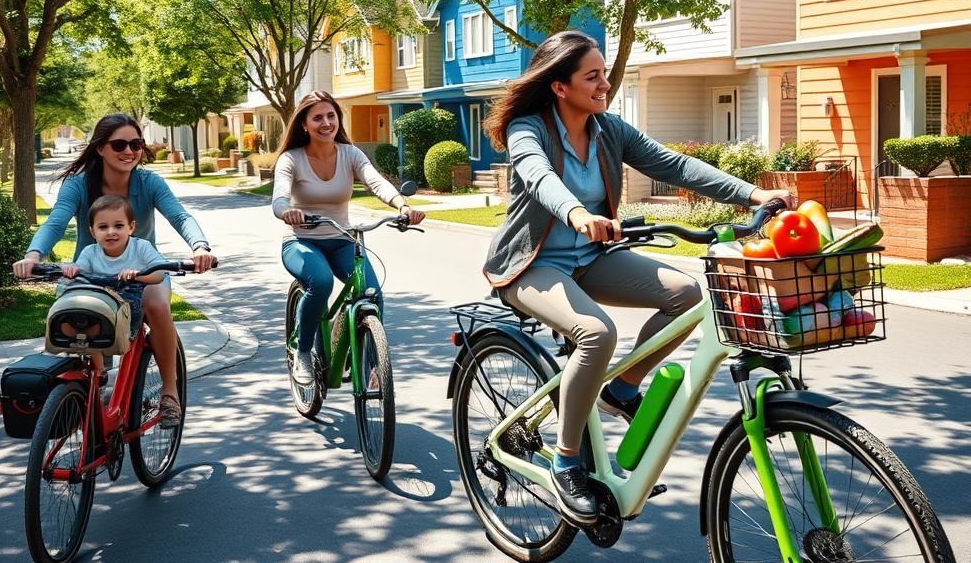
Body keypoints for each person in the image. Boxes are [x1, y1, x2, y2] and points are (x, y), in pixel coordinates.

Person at [481, 31, 793, 527]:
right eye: (593, 76)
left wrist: (752, 195)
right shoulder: (528, 128)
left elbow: (675, 165)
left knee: (689, 295)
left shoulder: (609, 130)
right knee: (596, 332)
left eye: (604, 73)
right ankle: (566, 462)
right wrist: (577, 213)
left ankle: (621, 388)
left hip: (591, 258)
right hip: (530, 264)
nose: (605, 83)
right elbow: (538, 176)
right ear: (560, 86)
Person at [13, 114, 217, 428]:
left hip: (142, 271)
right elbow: (56, 222)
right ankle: (87, 384)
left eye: (136, 144)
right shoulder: (80, 184)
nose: (129, 151)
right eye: (119, 144)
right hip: (93, 272)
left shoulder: (149, 182)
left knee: (157, 304)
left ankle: (170, 392)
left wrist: (200, 246)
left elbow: (180, 216)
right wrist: (33, 255)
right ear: (100, 148)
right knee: (72, 318)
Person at [272, 91, 425, 385]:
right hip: (301, 241)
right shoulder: (291, 159)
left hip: (342, 239)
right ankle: (303, 352)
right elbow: (279, 196)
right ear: (304, 124)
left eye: (331, 116)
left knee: (372, 294)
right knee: (321, 282)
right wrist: (287, 211)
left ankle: (370, 366)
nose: (326, 123)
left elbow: (375, 180)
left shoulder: (350, 153)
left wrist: (402, 205)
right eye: (317, 117)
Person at [60, 195, 173, 420]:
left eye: (118, 225)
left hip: (127, 309)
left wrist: (139, 274)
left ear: (131, 227)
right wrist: (71, 270)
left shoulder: (141, 248)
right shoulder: (90, 252)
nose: (111, 232)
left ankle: (136, 385)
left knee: (119, 338)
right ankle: (100, 372)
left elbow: (160, 273)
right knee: (83, 324)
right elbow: (79, 272)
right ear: (93, 231)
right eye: (103, 227)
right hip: (100, 309)